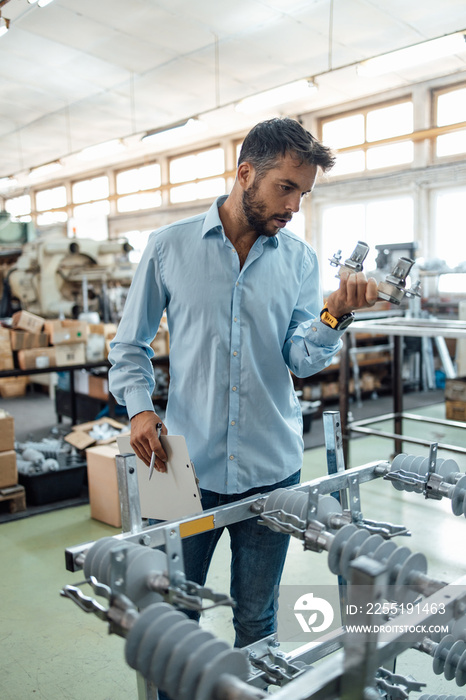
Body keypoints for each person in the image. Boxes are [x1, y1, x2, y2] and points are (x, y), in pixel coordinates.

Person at [108, 117, 378, 681]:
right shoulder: (168, 248)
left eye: (304, 194)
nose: (295, 206)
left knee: (258, 621)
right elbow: (128, 346)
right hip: (178, 462)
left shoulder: (300, 261)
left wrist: (335, 315)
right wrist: (138, 408)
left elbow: (301, 357)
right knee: (172, 618)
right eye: (286, 188)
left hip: (272, 466)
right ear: (245, 173)